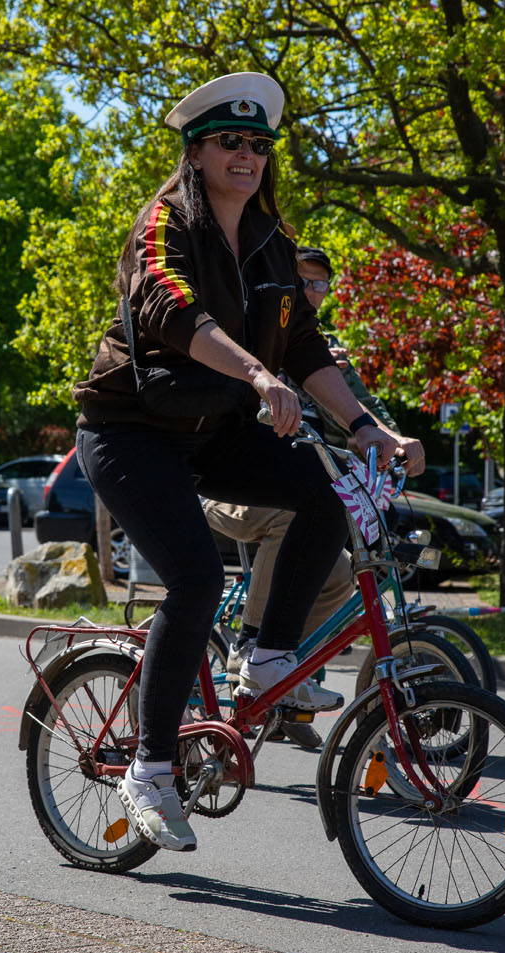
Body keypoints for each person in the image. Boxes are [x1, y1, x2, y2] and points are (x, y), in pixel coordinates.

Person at [72, 73, 426, 852]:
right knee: (196, 578)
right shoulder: (162, 225)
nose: (247, 156)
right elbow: (173, 309)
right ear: (196, 153)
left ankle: (267, 658)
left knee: (322, 488)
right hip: (132, 430)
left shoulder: (274, 242)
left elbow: (304, 349)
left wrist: (371, 429)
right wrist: (257, 375)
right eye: (230, 142)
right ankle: (151, 770)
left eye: (259, 145)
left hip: (212, 431)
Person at [202, 245, 403, 750]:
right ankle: (252, 648)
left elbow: (362, 410)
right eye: (304, 282)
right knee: (295, 514)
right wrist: (285, 381)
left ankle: (282, 665)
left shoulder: (320, 345)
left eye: (321, 285)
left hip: (295, 477)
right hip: (231, 482)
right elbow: (245, 395)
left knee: (338, 573)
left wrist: (393, 439)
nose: (313, 293)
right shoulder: (255, 327)